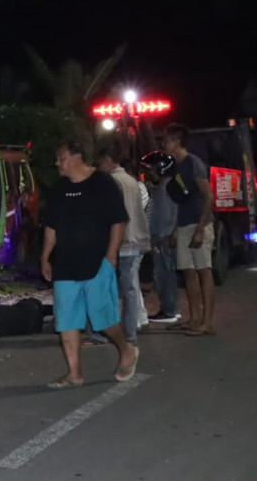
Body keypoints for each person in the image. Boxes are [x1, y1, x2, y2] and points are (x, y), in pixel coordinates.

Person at [40, 140, 139, 388]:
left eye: (61, 158)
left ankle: (126, 348)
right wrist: (45, 257)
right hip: (64, 263)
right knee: (67, 320)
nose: (57, 163)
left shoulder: (103, 183)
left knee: (103, 319)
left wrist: (111, 255)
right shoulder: (59, 189)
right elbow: (51, 227)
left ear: (77, 157)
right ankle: (74, 373)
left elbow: (118, 221)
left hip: (97, 261)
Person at [162, 123, 216, 336]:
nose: (164, 144)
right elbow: (181, 201)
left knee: (204, 271)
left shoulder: (194, 163)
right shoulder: (178, 166)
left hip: (198, 223)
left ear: (176, 141)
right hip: (185, 224)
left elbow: (208, 196)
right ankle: (194, 318)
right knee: (188, 272)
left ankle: (207, 322)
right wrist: (177, 229)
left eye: (166, 141)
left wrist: (201, 229)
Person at [96, 145, 150, 345]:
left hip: (122, 241)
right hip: (137, 239)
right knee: (131, 289)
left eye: (100, 163)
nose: (99, 167)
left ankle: (118, 332)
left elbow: (115, 216)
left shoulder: (112, 182)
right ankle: (130, 331)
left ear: (109, 160)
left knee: (114, 288)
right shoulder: (131, 180)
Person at [140, 150, 180, 323]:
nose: (149, 173)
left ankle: (170, 311)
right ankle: (168, 308)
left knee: (165, 276)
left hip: (163, 238)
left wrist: (165, 235)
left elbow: (166, 216)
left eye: (152, 169)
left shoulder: (167, 188)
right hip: (161, 238)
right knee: (162, 275)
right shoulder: (163, 187)